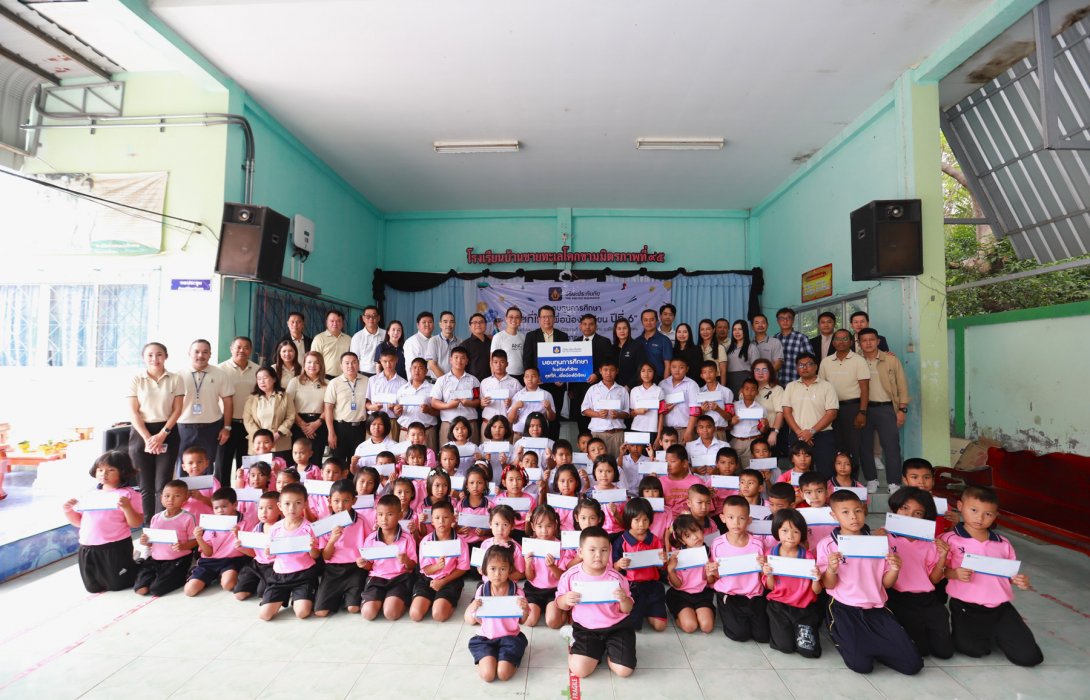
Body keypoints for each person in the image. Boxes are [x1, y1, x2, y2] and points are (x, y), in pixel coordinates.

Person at [817, 490, 922, 675]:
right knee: (861, 666)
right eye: (845, 512)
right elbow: (829, 585)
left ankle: (873, 642)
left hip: (877, 608)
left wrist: (895, 568)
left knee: (912, 665)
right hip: (844, 608)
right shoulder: (827, 545)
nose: (853, 517)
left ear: (864, 510)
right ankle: (844, 634)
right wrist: (832, 569)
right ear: (833, 515)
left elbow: (887, 584)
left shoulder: (877, 542)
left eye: (857, 510)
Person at [940, 485, 1043, 666]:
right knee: (973, 651)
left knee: (1030, 658)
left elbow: (1008, 574)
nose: (979, 518)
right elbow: (939, 572)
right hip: (966, 607)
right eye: (974, 510)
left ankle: (998, 633)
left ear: (995, 516)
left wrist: (1019, 580)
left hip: (1000, 608)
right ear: (960, 506)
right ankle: (990, 635)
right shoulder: (949, 539)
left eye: (988, 514)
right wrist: (954, 573)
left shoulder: (1003, 543)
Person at [556, 526, 637, 678]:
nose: (598, 555)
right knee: (580, 671)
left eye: (604, 550)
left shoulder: (617, 577)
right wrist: (566, 599)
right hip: (586, 629)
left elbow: (627, 609)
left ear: (610, 551)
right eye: (592, 550)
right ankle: (575, 638)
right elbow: (560, 603)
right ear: (580, 552)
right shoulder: (570, 576)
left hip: (617, 627)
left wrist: (624, 599)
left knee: (624, 671)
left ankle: (607, 648)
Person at [884, 487, 954, 659]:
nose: (909, 515)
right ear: (895, 509)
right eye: (904, 508)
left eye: (917, 513)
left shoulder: (930, 542)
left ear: (925, 517)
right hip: (898, 598)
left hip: (928, 598)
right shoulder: (884, 537)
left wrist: (942, 557)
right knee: (920, 651)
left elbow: (934, 579)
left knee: (944, 652)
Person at [62, 451, 144, 592]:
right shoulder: (89, 495)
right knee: (92, 588)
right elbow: (78, 523)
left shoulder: (128, 494)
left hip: (115, 547)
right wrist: (68, 510)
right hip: (87, 547)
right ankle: (132, 559)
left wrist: (127, 507)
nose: (103, 473)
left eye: (110, 470)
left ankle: (138, 561)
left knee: (118, 585)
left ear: (122, 472)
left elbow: (136, 523)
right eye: (100, 469)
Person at [127, 341, 184, 522]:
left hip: (167, 432)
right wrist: (148, 438)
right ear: (144, 358)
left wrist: (161, 435)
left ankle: (161, 526)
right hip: (141, 433)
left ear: (166, 356)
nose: (155, 358)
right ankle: (147, 533)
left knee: (163, 485)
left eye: (159, 354)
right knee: (145, 486)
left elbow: (177, 410)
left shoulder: (175, 379)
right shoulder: (136, 379)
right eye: (150, 355)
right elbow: (133, 412)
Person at [761, 509, 823, 657]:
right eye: (785, 530)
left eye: (795, 531)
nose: (790, 536)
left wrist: (816, 579)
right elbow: (770, 587)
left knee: (808, 651)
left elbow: (817, 591)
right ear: (777, 532)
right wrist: (768, 574)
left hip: (804, 608)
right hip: (779, 606)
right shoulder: (770, 555)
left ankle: (800, 629)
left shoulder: (807, 557)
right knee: (786, 647)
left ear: (802, 533)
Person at [707, 496, 769, 642]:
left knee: (763, 636)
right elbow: (715, 575)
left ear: (749, 520)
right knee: (739, 634)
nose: (736, 522)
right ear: (722, 518)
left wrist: (764, 565)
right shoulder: (717, 544)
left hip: (754, 595)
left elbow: (764, 574)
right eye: (731, 517)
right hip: (730, 594)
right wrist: (712, 571)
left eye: (741, 518)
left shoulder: (757, 544)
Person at [465, 545, 530, 683]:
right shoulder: (482, 590)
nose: (497, 574)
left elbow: (523, 621)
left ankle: (509, 657)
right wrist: (473, 606)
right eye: (493, 569)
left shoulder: (517, 592)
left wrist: (525, 609)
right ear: (485, 570)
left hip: (511, 638)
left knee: (503, 674)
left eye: (503, 569)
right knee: (488, 675)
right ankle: (490, 657)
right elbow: (474, 619)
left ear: (510, 570)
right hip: (486, 638)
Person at [818, 329, 871, 490]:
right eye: (838, 339)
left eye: (844, 339)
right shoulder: (826, 362)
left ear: (850, 342)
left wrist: (862, 412)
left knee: (853, 447)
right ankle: (834, 485)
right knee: (833, 446)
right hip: (830, 409)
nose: (841, 342)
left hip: (852, 408)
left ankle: (852, 486)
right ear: (833, 342)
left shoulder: (858, 360)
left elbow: (865, 388)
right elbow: (821, 387)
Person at [858, 328, 909, 492]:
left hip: (886, 408)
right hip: (864, 409)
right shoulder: (857, 361)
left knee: (891, 446)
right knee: (865, 446)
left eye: (871, 339)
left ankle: (894, 482)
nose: (868, 343)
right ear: (859, 343)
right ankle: (871, 480)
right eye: (864, 340)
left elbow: (902, 385)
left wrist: (902, 410)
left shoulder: (891, 360)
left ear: (878, 341)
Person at [260, 482, 321, 620]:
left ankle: (300, 595)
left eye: (298, 503)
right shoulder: (275, 528)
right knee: (265, 615)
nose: (292, 508)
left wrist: (312, 548)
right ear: (280, 506)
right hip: (279, 575)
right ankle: (284, 594)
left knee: (302, 613)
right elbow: (269, 555)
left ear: (305, 504)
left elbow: (316, 555)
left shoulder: (309, 528)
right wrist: (269, 551)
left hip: (303, 575)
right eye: (287, 504)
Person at [612, 497, 668, 631]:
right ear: (628, 520)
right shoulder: (621, 540)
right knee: (633, 626)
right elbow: (613, 568)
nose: (641, 524)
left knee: (660, 626)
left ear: (650, 520)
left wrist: (663, 561)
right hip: (631, 588)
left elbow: (661, 567)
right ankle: (639, 610)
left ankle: (647, 609)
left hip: (653, 587)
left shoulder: (655, 540)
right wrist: (619, 564)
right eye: (636, 520)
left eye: (645, 520)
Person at [359, 494, 419, 620]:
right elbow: (369, 565)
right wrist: (363, 564)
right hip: (377, 579)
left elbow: (412, 565)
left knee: (391, 613)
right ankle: (381, 599)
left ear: (400, 515)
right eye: (380, 514)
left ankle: (397, 601)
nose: (384, 519)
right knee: (368, 614)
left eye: (390, 514)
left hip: (400, 578)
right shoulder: (371, 538)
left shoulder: (406, 538)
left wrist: (406, 560)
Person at [134, 480, 197, 596]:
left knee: (156, 590)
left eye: (177, 496)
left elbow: (195, 540)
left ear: (185, 498)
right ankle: (159, 576)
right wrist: (146, 542)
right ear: (161, 497)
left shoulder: (188, 518)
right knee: (140, 589)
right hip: (155, 559)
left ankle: (186, 572)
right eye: (167, 496)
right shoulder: (156, 518)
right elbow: (152, 542)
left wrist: (183, 546)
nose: (170, 499)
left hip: (177, 560)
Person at [781, 352, 838, 480]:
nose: (805, 367)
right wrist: (800, 433)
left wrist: (811, 432)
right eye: (801, 365)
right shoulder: (791, 386)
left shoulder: (827, 386)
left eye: (809, 364)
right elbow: (786, 412)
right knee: (800, 474)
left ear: (816, 366)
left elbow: (832, 413)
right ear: (796, 368)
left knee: (826, 471)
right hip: (797, 435)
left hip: (823, 436)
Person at [411, 499, 471, 622]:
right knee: (415, 615)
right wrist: (437, 567)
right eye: (437, 518)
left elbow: (462, 568)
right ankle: (432, 599)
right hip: (427, 579)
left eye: (445, 517)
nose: (441, 521)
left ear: (453, 519)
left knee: (439, 615)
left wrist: (442, 582)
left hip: (450, 579)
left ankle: (448, 602)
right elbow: (425, 568)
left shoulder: (460, 542)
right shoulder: (426, 542)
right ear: (432, 521)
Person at [184, 487, 246, 597]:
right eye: (216, 508)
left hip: (232, 560)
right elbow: (208, 553)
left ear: (235, 504)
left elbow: (248, 551)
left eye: (224, 506)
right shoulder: (210, 523)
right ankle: (211, 576)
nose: (220, 511)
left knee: (228, 585)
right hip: (210, 561)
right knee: (189, 591)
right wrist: (199, 538)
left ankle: (223, 576)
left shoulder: (245, 522)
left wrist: (238, 535)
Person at [520, 305, 569, 440]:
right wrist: (533, 379)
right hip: (537, 385)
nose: (547, 319)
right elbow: (527, 360)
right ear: (539, 319)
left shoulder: (563, 336)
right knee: (535, 417)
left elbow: (567, 361)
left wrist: (563, 378)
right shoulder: (531, 336)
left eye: (549, 316)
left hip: (556, 385)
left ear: (554, 318)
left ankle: (552, 445)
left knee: (554, 417)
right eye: (544, 317)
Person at [217, 337, 258, 486]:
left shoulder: (257, 369)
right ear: (231, 348)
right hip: (226, 423)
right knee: (223, 465)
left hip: (249, 425)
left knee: (246, 466)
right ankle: (222, 499)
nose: (242, 350)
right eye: (238, 347)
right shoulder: (220, 370)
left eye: (246, 347)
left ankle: (243, 503)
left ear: (251, 350)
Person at [665, 514, 716, 633]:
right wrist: (670, 570)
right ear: (682, 540)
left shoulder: (709, 551)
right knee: (690, 626)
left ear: (701, 530)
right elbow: (677, 585)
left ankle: (694, 612)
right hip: (680, 594)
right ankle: (680, 615)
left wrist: (709, 572)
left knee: (707, 627)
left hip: (702, 593)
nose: (695, 537)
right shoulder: (677, 555)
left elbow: (710, 582)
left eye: (696, 531)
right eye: (688, 536)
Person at [570, 314, 616, 434]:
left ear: (596, 326)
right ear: (580, 326)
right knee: (582, 419)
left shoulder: (604, 342)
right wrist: (570, 388)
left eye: (591, 324)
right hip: (579, 388)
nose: (587, 327)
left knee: (599, 417)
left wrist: (597, 374)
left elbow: (609, 364)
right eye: (584, 324)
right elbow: (572, 366)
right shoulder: (575, 342)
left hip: (599, 386)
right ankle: (585, 448)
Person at [431, 346, 482, 445]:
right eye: (456, 357)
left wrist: (469, 403)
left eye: (463, 358)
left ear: (467, 361)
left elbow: (478, 401)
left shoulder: (473, 380)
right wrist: (448, 406)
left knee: (472, 457)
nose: (459, 360)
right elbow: (434, 402)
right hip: (448, 425)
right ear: (451, 360)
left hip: (470, 425)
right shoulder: (442, 380)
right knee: (447, 458)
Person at [324, 352, 369, 462]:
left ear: (358, 364)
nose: (350, 366)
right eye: (347, 363)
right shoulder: (334, 383)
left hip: (360, 428)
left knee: (356, 463)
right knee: (338, 463)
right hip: (340, 428)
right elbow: (328, 408)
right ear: (341, 365)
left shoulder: (367, 381)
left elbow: (369, 403)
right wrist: (331, 433)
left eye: (354, 362)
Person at [243, 366, 296, 457]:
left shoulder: (285, 396)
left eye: (265, 378)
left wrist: (278, 433)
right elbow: (247, 419)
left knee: (280, 469)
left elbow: (290, 416)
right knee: (258, 470)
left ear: (274, 379)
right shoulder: (252, 398)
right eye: (259, 379)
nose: (261, 381)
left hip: (280, 442)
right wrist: (261, 438)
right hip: (258, 445)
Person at [581, 358, 630, 458]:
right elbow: (584, 410)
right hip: (598, 434)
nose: (608, 373)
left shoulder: (622, 390)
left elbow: (627, 413)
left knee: (618, 465)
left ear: (617, 371)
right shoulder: (593, 389)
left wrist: (618, 415)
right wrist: (598, 414)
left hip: (617, 434)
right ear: (600, 371)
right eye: (605, 370)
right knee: (598, 465)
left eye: (612, 370)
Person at [286, 351, 329, 462]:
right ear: (304, 364)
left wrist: (317, 423)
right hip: (298, 424)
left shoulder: (328, 383)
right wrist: (302, 424)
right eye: (309, 362)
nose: (312, 366)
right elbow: (288, 405)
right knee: (298, 460)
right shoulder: (295, 382)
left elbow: (329, 408)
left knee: (316, 459)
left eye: (316, 363)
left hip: (319, 425)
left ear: (321, 365)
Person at [397, 358, 440, 451]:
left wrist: (429, 410)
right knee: (405, 461)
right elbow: (397, 411)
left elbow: (439, 412)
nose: (417, 371)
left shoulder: (433, 389)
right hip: (406, 432)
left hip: (427, 432)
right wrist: (397, 411)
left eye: (420, 368)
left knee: (429, 461)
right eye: (414, 368)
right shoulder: (402, 389)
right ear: (410, 370)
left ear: (426, 371)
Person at [660, 357, 700, 444]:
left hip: (684, 430)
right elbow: (659, 409)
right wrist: (664, 409)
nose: (677, 370)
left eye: (681, 367)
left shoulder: (692, 385)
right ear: (669, 368)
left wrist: (689, 431)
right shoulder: (662, 384)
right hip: (667, 431)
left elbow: (695, 410)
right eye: (674, 367)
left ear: (687, 369)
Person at [480, 349, 522, 427]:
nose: (498, 365)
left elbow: (520, 405)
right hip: (488, 423)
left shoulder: (515, 382)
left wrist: (511, 404)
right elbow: (481, 405)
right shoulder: (484, 382)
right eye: (495, 362)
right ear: (491, 363)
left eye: (502, 362)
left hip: (506, 424)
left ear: (507, 364)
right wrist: (482, 403)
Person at [751, 359, 785, 454]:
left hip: (771, 431)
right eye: (757, 370)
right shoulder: (748, 389)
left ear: (770, 372)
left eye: (765, 370)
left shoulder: (777, 389)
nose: (760, 373)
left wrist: (774, 432)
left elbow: (780, 412)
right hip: (752, 432)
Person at [773, 308, 812, 385]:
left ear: (793, 320)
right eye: (782, 318)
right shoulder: (774, 339)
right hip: (778, 383)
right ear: (778, 321)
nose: (785, 321)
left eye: (788, 318)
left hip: (797, 382)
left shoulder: (801, 338)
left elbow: (810, 361)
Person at [634, 308, 672, 382]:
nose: (648, 323)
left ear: (657, 321)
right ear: (642, 322)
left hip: (659, 380)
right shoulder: (637, 341)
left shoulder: (664, 340)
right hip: (640, 381)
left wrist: (665, 384)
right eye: (645, 320)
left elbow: (668, 365)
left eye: (651, 319)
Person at [311, 309, 352, 379]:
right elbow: (314, 359)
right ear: (326, 322)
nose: (335, 324)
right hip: (324, 376)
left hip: (344, 377)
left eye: (338, 321)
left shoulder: (348, 339)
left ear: (342, 323)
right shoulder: (319, 338)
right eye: (332, 321)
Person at [490, 306, 526, 382]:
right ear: (506, 319)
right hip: (504, 376)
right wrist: (495, 378)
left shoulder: (523, 337)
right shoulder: (498, 337)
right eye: (511, 317)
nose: (514, 319)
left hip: (522, 376)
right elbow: (492, 360)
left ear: (520, 320)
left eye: (517, 317)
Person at [725, 320, 759, 396]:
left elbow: (756, 369)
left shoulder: (752, 348)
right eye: (734, 329)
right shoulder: (728, 348)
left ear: (745, 331)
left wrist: (748, 386)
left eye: (740, 329)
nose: (737, 332)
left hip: (744, 380)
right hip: (729, 380)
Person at [350, 305, 385, 377]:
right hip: (363, 373)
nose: (371, 319)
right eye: (368, 316)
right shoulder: (357, 337)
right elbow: (353, 358)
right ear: (363, 318)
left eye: (374, 316)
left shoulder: (385, 334)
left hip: (382, 372)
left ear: (378, 318)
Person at [611, 317, 646, 389]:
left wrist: (629, 386)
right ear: (615, 331)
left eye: (624, 328)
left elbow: (640, 369)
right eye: (619, 328)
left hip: (632, 388)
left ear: (629, 330)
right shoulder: (612, 348)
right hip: (614, 388)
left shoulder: (637, 346)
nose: (622, 331)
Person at [427, 310, 461, 379]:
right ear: (440, 324)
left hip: (456, 382)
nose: (448, 324)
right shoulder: (434, 340)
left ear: (455, 324)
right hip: (437, 382)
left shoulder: (460, 342)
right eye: (445, 322)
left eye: (451, 322)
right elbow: (432, 364)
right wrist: (446, 381)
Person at [404, 311, 436, 379]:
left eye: (430, 322)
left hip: (437, 380)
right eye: (424, 322)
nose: (427, 324)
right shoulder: (411, 342)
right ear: (418, 325)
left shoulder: (436, 340)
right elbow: (410, 366)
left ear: (433, 325)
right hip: (420, 380)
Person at [463, 312, 493, 382]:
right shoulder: (465, 345)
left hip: (491, 382)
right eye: (474, 322)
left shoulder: (492, 342)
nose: (478, 324)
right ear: (470, 326)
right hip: (473, 383)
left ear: (485, 325)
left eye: (481, 322)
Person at [698, 319, 728, 386]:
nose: (705, 332)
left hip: (716, 381)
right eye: (702, 329)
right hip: (700, 381)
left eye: (708, 329)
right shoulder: (697, 348)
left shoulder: (720, 348)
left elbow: (723, 371)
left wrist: (722, 388)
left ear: (713, 330)